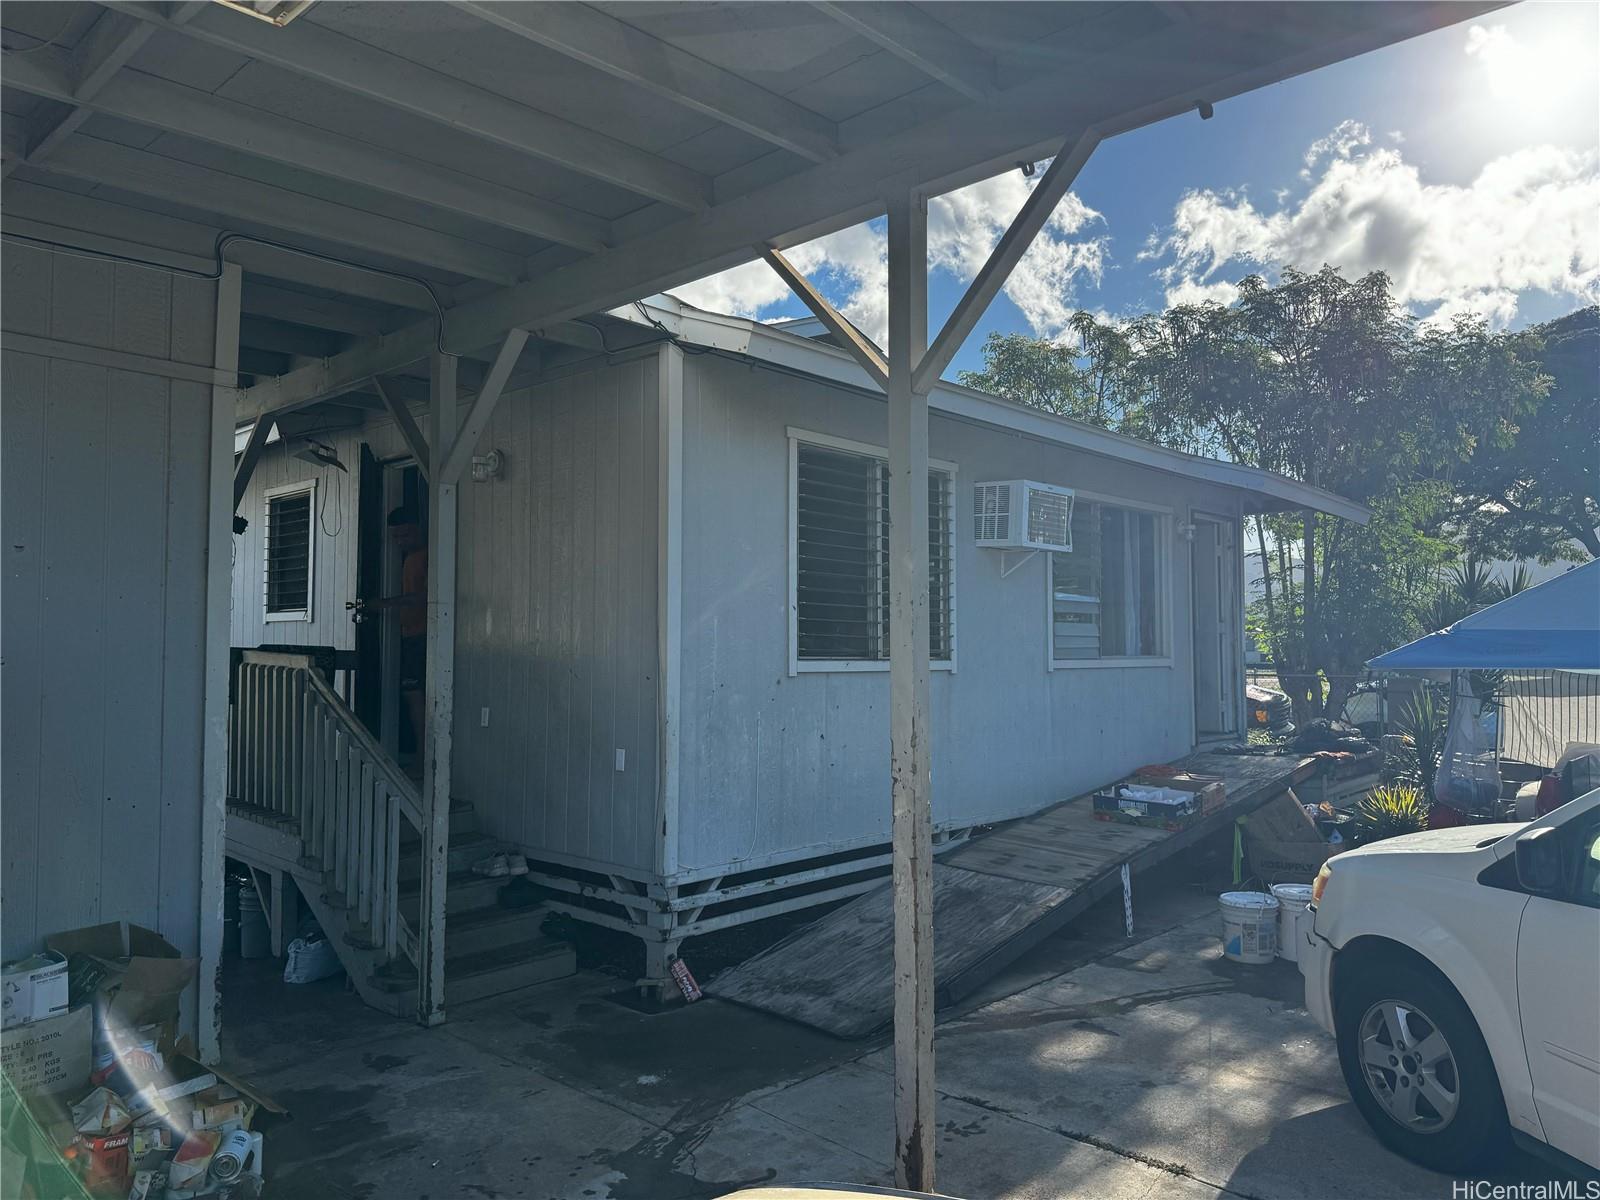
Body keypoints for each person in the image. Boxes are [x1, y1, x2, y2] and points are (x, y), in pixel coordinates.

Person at [365, 507, 428, 763]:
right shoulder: (407, 560)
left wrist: (385, 603)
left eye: (406, 535)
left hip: (424, 637)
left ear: (420, 528)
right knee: (412, 696)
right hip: (408, 636)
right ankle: (422, 754)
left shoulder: (427, 557)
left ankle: (426, 758)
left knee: (420, 696)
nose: (401, 542)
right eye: (396, 538)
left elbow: (427, 597)